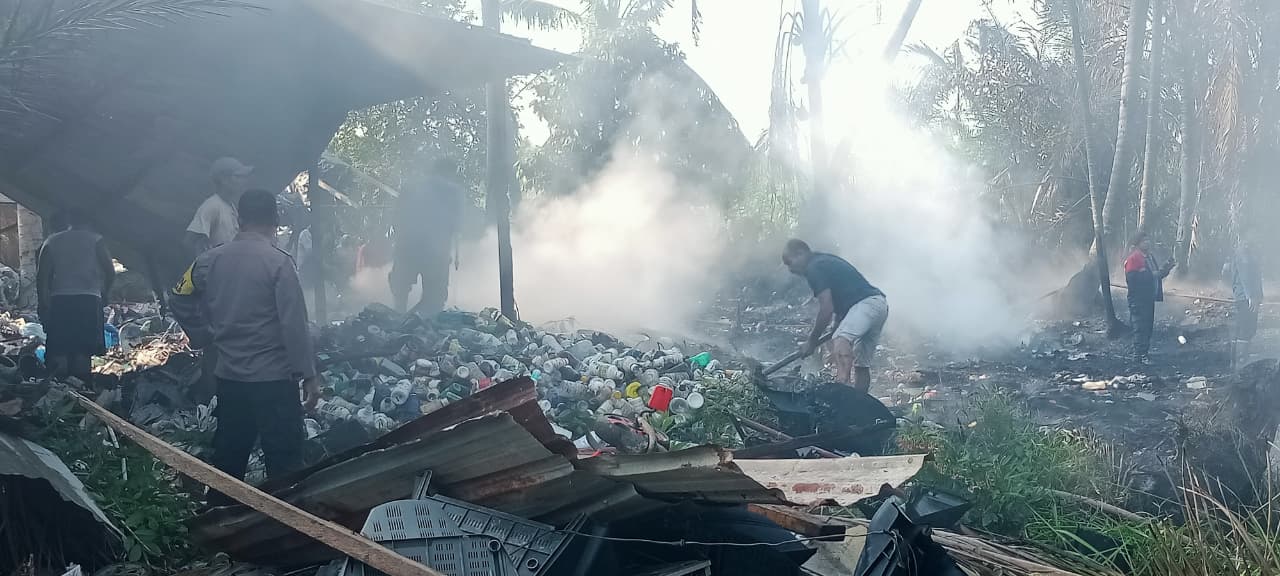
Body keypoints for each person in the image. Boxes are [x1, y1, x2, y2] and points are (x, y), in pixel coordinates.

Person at [170, 189, 322, 506]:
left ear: (240, 219)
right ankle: (285, 523)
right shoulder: (279, 263)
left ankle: (221, 519)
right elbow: (293, 325)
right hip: (274, 380)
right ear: (275, 220)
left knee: (230, 454)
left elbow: (179, 295)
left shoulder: (209, 260)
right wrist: (308, 374)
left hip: (230, 377)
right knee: (284, 460)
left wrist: (202, 334)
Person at [782, 239, 889, 393]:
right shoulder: (824, 261)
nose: (790, 269)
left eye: (789, 263)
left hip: (866, 305)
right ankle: (859, 401)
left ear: (800, 253)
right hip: (878, 304)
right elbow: (841, 309)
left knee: (841, 339)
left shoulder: (814, 267)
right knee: (861, 365)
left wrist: (811, 342)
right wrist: (833, 334)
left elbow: (826, 309)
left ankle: (842, 386)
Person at [36, 210, 115, 382]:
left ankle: (58, 386)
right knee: (83, 350)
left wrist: (43, 304)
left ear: (69, 221)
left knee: (59, 347)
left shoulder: (52, 241)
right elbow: (110, 271)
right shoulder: (96, 240)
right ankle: (81, 387)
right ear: (89, 221)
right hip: (89, 300)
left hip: (60, 300)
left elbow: (41, 277)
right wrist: (105, 292)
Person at [389, 157, 463, 314]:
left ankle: (400, 319)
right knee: (435, 298)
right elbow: (456, 224)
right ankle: (418, 321)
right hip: (435, 252)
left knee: (401, 292)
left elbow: (397, 217)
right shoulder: (453, 191)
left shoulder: (410, 187)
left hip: (407, 247)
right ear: (449, 172)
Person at [1123, 232, 1174, 363]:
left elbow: (1155, 275)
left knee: (1148, 327)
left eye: (1148, 240)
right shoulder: (1134, 258)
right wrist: (1149, 275)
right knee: (1140, 327)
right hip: (1138, 298)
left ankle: (1144, 353)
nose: (1147, 242)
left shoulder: (1149, 257)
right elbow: (1131, 279)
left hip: (1149, 298)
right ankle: (1138, 356)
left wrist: (1165, 269)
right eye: (1144, 241)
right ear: (1137, 243)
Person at [185, 156, 252, 256]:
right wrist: (207, 258)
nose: (243, 181)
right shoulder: (211, 206)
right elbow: (190, 240)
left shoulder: (231, 206)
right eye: (238, 176)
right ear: (223, 180)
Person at [1229, 240, 1263, 370]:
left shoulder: (1243, 252)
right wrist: (1251, 296)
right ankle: (1241, 361)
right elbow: (1245, 277)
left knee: (1243, 328)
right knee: (1247, 328)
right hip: (1246, 298)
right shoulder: (1243, 253)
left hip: (1243, 297)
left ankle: (1237, 361)